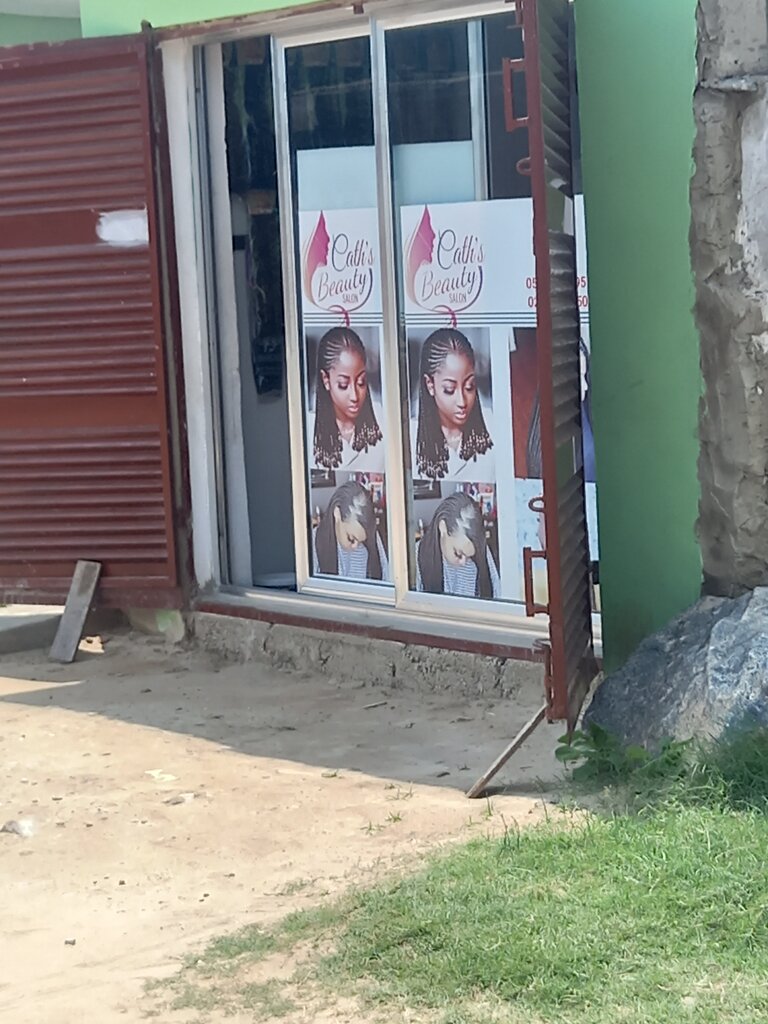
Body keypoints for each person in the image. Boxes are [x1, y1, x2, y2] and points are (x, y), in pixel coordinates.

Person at [414, 328, 494, 481]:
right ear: (430, 385)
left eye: (469, 387)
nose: (462, 402)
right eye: (449, 390)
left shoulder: (493, 425)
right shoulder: (412, 438)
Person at [312, 327, 384, 471]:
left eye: (361, 382)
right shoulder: (308, 429)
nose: (354, 396)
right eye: (343, 385)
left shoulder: (382, 418)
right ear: (326, 380)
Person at [416, 492, 500, 599]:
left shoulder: (483, 553)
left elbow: (496, 593)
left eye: (469, 557)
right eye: (458, 553)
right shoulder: (417, 558)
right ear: (443, 528)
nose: (464, 562)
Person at [313, 480, 390, 582]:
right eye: (351, 538)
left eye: (361, 541)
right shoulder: (313, 544)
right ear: (337, 513)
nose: (355, 546)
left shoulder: (375, 541)